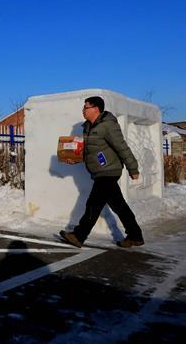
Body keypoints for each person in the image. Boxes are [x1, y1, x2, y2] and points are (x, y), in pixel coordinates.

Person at [59, 96, 144, 248]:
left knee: (93, 204)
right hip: (99, 171)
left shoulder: (108, 125)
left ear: (96, 109)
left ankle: (79, 235)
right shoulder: (88, 127)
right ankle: (135, 235)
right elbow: (90, 151)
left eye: (86, 107)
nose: (83, 110)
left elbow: (121, 147)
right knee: (119, 205)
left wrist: (133, 168)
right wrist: (75, 159)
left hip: (109, 170)